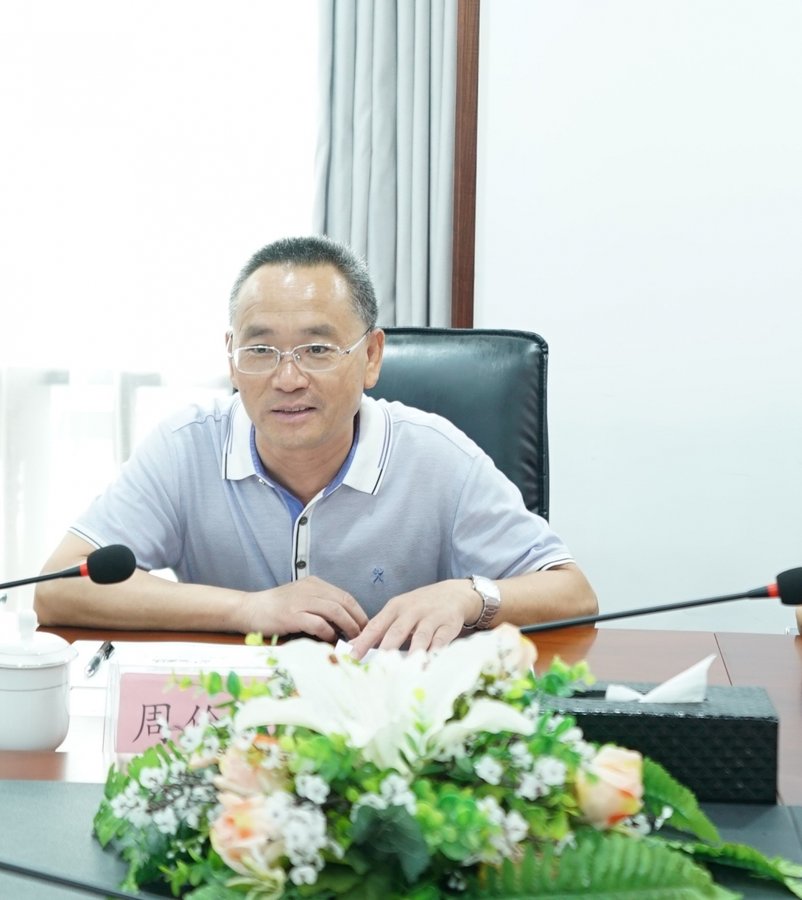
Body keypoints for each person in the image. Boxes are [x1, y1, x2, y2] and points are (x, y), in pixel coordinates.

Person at [34, 236, 597, 656]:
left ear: (371, 356)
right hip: (232, 731)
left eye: (317, 350)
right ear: (231, 358)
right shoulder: (187, 447)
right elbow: (57, 589)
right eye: (261, 351)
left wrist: (468, 597)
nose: (287, 379)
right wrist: (248, 609)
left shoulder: (437, 457)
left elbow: (572, 592)